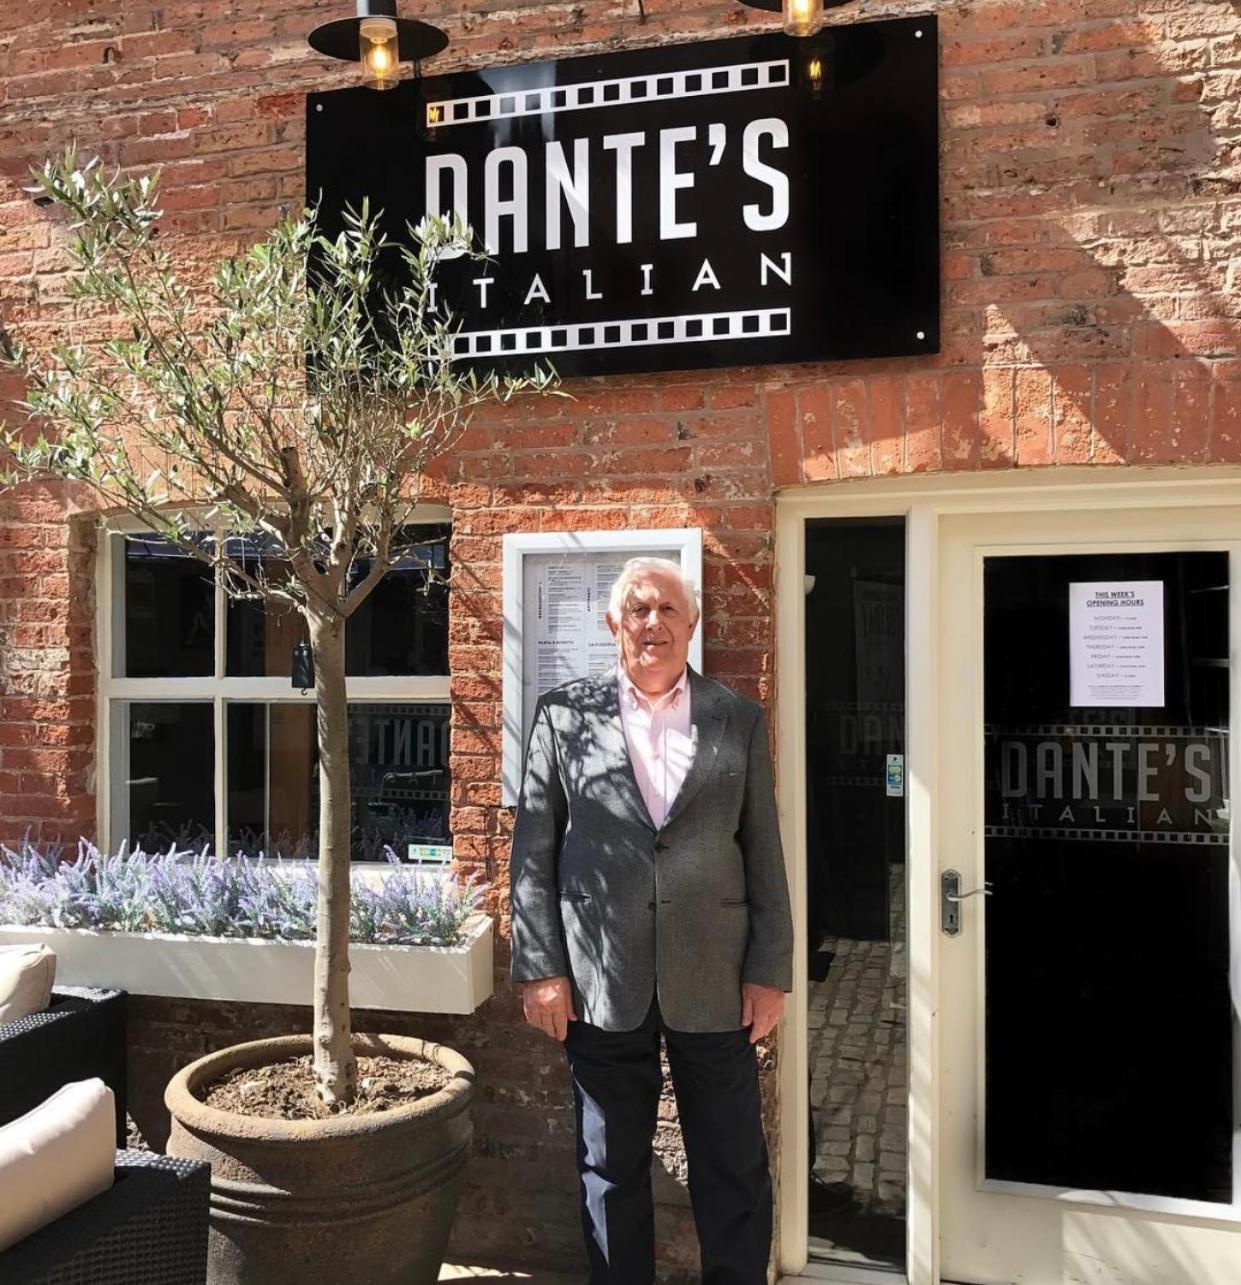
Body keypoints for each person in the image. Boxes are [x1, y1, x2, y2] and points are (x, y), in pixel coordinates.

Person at [509, 556, 794, 1285]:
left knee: (733, 1163)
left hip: (716, 976)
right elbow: (533, 849)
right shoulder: (564, 716)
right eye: (638, 609)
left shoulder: (736, 717)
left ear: (692, 623)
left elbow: (763, 849)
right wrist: (541, 967)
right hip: (602, 974)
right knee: (609, 1167)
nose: (653, 623)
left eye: (668, 609)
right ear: (614, 623)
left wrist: (769, 969)